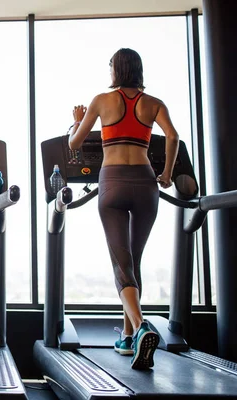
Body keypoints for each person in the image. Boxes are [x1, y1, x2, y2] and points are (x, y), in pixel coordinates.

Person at [67, 48, 179, 370]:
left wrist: (76, 122)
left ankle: (141, 326)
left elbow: (74, 143)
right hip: (146, 183)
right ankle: (128, 339)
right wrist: (167, 174)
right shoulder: (154, 103)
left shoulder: (102, 100)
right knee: (133, 260)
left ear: (116, 69)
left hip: (113, 183)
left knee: (121, 263)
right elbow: (172, 136)